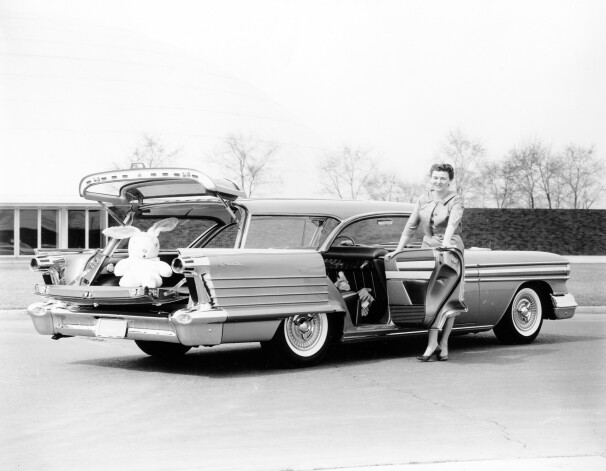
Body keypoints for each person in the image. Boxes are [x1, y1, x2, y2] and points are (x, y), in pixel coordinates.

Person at [385, 163, 464, 362]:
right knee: (430, 297)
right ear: (431, 178)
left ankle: (442, 343)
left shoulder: (455, 199)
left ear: (450, 180)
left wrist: (446, 242)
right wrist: (399, 249)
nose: (438, 181)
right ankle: (433, 343)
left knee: (448, 297)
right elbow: (411, 225)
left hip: (449, 250)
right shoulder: (423, 198)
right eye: (435, 177)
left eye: (443, 178)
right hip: (428, 249)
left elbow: (453, 222)